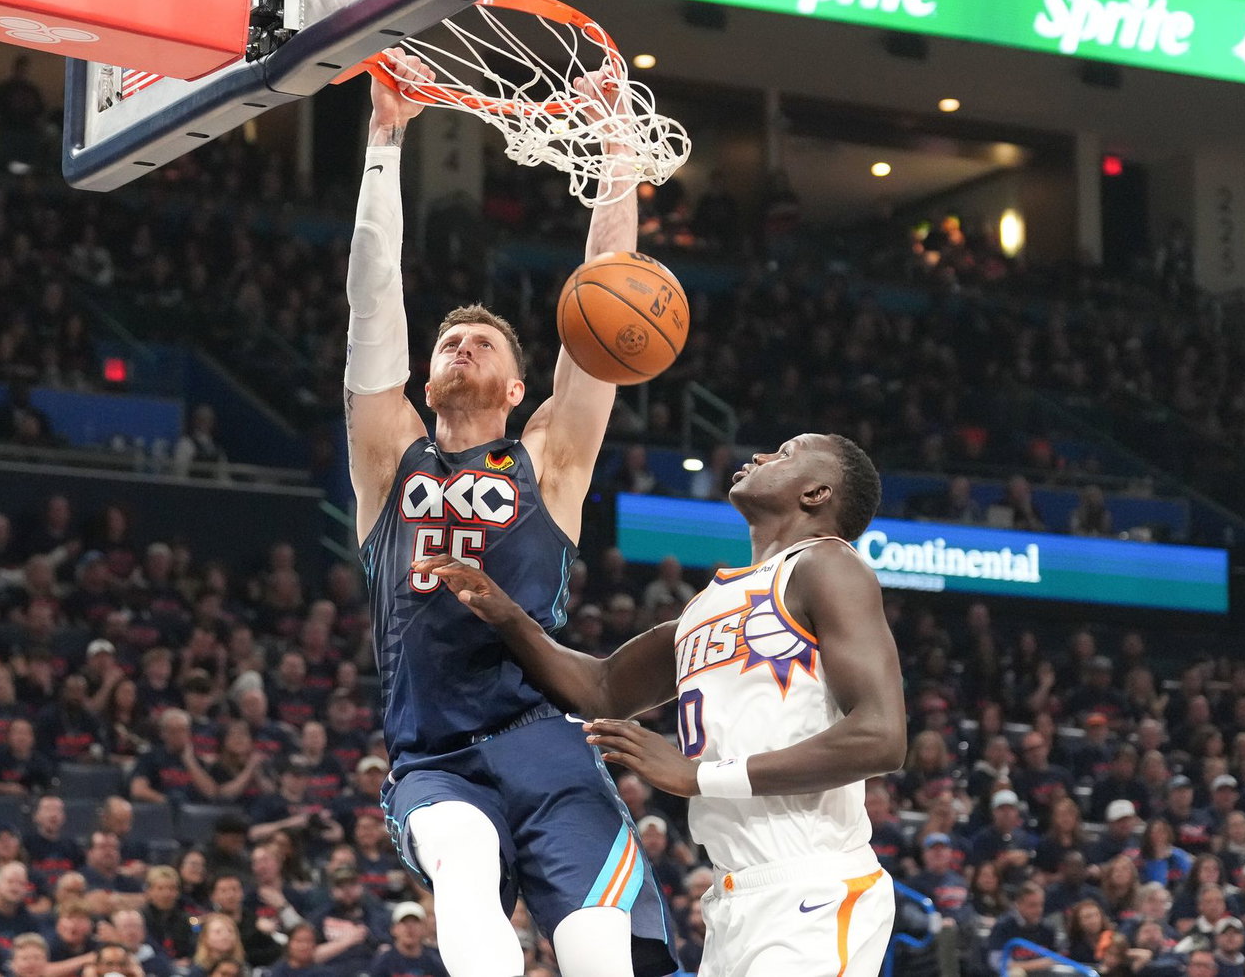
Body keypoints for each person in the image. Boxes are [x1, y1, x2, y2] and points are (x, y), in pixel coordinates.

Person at [342, 49, 674, 977]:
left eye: (481, 339)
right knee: (466, 861)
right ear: (427, 374)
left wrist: (616, 145)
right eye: (448, 339)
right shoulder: (388, 458)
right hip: (433, 755)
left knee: (599, 946)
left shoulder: (549, 456)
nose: (460, 342)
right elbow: (372, 302)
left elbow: (612, 287)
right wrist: (384, 139)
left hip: (544, 739)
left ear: (519, 384)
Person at [418, 431, 908, 976]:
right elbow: (602, 690)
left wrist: (700, 777)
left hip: (814, 885)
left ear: (816, 493)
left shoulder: (826, 566)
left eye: (786, 453)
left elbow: (881, 736)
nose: (760, 455)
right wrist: (508, 617)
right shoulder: (710, 603)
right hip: (733, 899)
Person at [367, 903, 448, 977]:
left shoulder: (435, 961)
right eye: (404, 922)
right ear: (394, 929)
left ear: (424, 928)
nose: (410, 928)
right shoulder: (383, 963)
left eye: (415, 922)